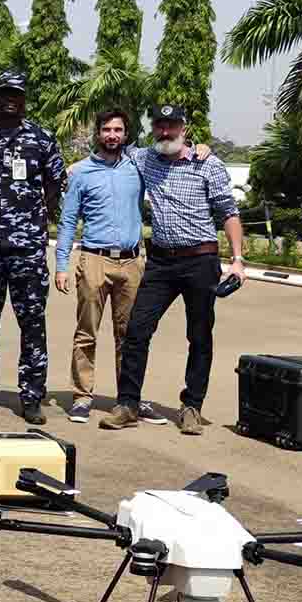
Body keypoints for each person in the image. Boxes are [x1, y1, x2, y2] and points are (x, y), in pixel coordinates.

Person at [102, 104, 246, 436]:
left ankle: (192, 406)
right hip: (161, 263)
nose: (165, 132)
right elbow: (111, 142)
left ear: (185, 128)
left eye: (172, 126)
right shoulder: (145, 159)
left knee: (199, 335)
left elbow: (228, 212)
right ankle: (127, 404)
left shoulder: (208, 164)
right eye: (160, 126)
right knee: (137, 331)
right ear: (153, 128)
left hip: (201, 261)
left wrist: (237, 261)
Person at [0, 70, 65, 425]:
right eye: (5, 93)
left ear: (25, 99)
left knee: (32, 323)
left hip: (26, 249)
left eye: (17, 94)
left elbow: (56, 183)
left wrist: (39, 220)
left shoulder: (41, 138)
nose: (11, 99)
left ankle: (31, 395)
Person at [55, 109, 148, 425]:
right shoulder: (81, 172)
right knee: (87, 332)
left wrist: (198, 148)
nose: (112, 135)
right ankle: (82, 396)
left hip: (132, 261)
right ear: (98, 134)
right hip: (94, 260)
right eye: (106, 130)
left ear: (126, 134)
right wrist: (61, 265)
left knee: (130, 334)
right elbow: (68, 221)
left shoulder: (139, 167)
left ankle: (128, 398)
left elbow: (173, 150)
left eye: (118, 130)